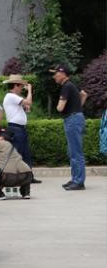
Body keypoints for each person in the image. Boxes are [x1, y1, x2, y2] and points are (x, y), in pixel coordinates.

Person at [52, 63, 87, 191]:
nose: (54, 76)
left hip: (72, 119)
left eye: (56, 74)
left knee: (76, 152)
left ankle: (79, 182)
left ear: (62, 74)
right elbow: (84, 95)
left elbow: (60, 108)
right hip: (75, 117)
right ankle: (75, 179)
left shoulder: (66, 87)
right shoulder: (71, 85)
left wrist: (59, 106)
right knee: (73, 151)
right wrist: (77, 108)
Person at [0, 128, 34, 199]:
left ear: (0, 136)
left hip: (8, 177)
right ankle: (26, 193)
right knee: (21, 169)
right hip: (27, 175)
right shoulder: (12, 146)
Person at [1, 74, 34, 169]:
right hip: (15, 128)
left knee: (25, 153)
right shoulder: (10, 96)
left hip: (19, 128)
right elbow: (28, 102)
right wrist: (30, 90)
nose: (22, 88)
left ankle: (27, 174)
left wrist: (26, 107)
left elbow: (27, 107)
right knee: (18, 153)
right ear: (16, 85)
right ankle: (17, 174)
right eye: (21, 86)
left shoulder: (15, 98)